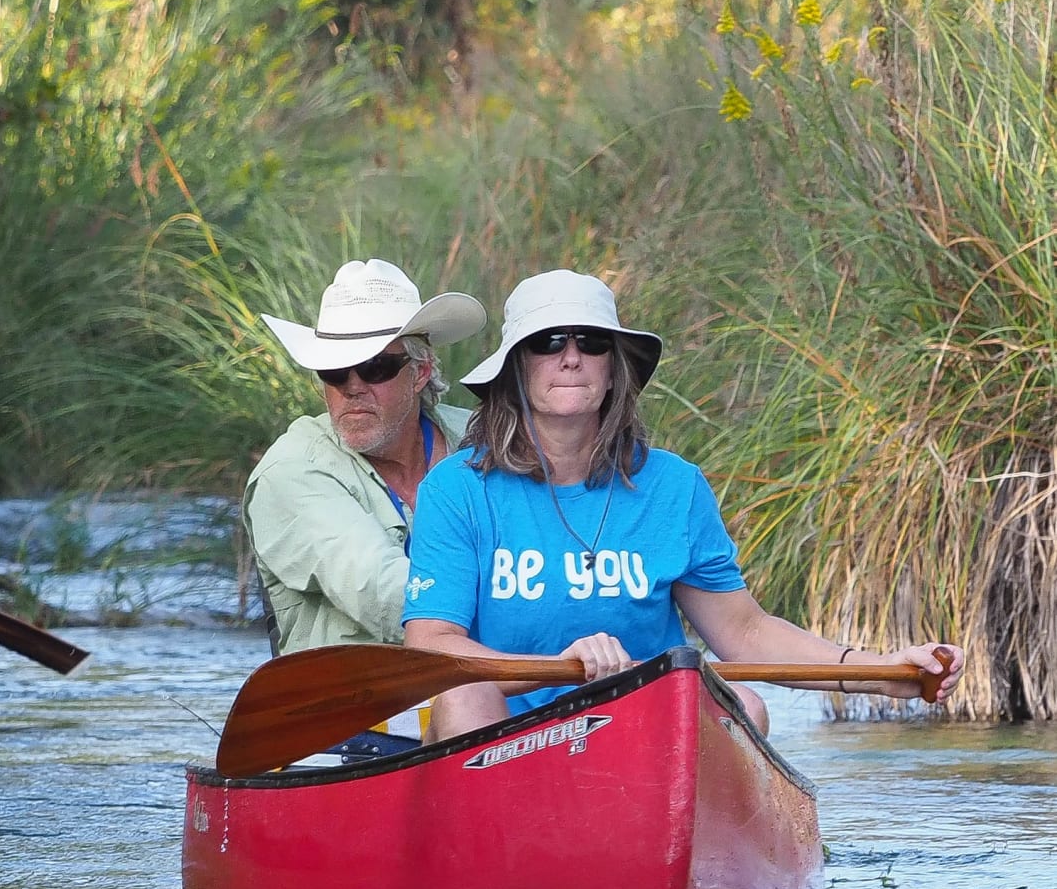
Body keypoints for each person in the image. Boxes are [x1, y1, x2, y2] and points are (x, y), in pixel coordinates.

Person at [402, 269, 963, 739]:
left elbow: (744, 634)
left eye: (590, 342)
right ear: (516, 367)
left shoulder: (677, 486)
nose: (570, 358)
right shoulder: (456, 489)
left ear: (614, 367)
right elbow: (432, 649)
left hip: (642, 731)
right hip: (505, 739)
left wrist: (876, 671)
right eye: (548, 343)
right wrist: (567, 665)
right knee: (462, 698)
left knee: (745, 705)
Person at [244, 259, 487, 653]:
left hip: (488, 684)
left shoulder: (486, 439)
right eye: (335, 371)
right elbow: (380, 589)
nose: (352, 387)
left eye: (375, 367)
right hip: (358, 703)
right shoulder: (291, 471)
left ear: (421, 371)